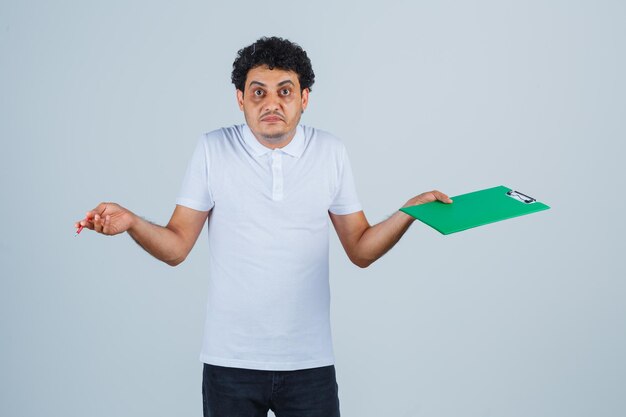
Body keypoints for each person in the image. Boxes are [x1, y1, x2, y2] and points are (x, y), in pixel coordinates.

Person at [74, 36, 452, 417]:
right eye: (258, 92)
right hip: (230, 363)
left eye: (285, 91)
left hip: (309, 363)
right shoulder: (212, 149)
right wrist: (133, 223)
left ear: (305, 98)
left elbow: (360, 248)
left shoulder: (330, 152)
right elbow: (176, 247)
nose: (271, 103)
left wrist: (409, 212)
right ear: (240, 98)